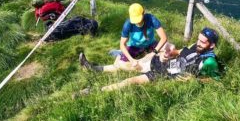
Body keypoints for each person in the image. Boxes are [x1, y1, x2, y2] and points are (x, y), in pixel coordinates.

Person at [79, 27, 220, 93]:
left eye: (203, 42)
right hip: (162, 62)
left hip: (164, 75)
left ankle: (94, 91)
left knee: (129, 80)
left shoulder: (209, 62)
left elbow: (216, 81)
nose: (198, 43)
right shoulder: (196, 46)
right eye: (198, 39)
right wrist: (169, 53)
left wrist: (194, 80)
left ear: (212, 45)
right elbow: (180, 52)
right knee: (129, 65)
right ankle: (94, 68)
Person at [80, 3, 167, 72]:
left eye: (139, 19)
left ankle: (140, 63)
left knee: (170, 48)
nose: (137, 22)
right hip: (134, 46)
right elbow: (122, 44)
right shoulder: (128, 24)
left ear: (143, 13)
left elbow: (163, 38)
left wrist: (153, 53)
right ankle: (93, 68)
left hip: (150, 44)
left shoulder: (151, 19)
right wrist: (132, 60)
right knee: (118, 65)